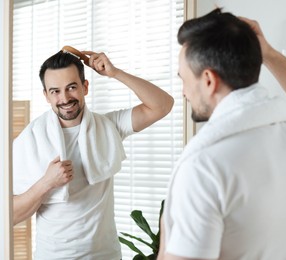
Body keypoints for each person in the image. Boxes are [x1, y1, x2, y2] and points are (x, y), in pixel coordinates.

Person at [157, 8, 286, 260]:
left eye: (184, 79)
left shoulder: (204, 167)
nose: (183, 91)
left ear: (208, 80)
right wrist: (269, 54)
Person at [13, 49, 174, 259]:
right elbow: (10, 215)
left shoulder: (109, 127)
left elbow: (162, 105)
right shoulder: (29, 141)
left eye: (71, 87)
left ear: (85, 87)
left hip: (106, 255)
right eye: (55, 91)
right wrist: (46, 182)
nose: (65, 98)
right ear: (46, 95)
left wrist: (115, 73)